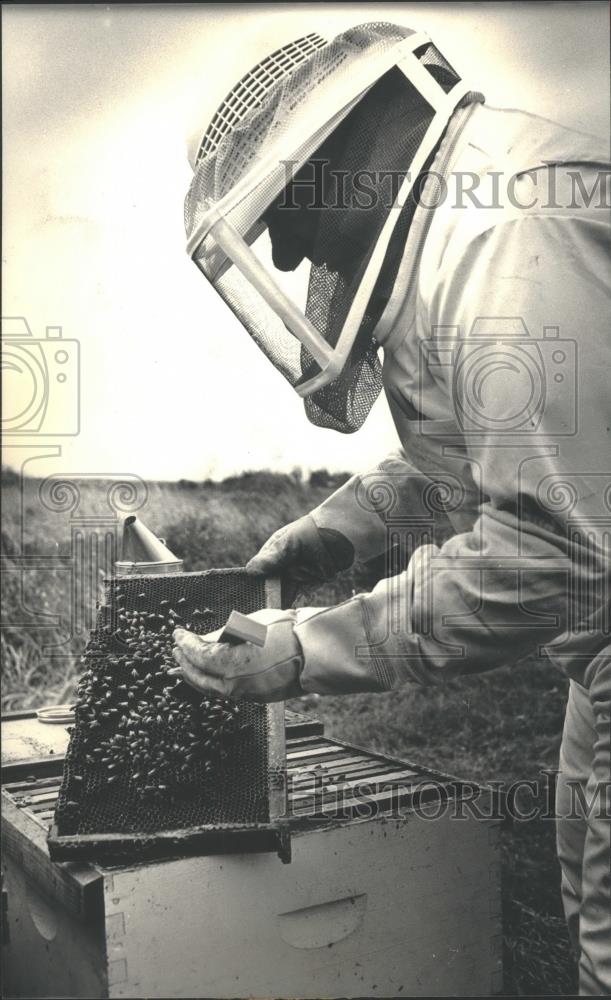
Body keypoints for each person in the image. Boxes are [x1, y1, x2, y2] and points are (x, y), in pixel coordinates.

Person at [176, 23, 610, 994]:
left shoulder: (507, 242)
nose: (285, 251)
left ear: (350, 151)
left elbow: (548, 547)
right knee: (587, 910)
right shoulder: (454, 234)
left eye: (283, 211)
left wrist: (303, 650)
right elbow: (480, 457)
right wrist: (341, 526)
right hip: (599, 653)